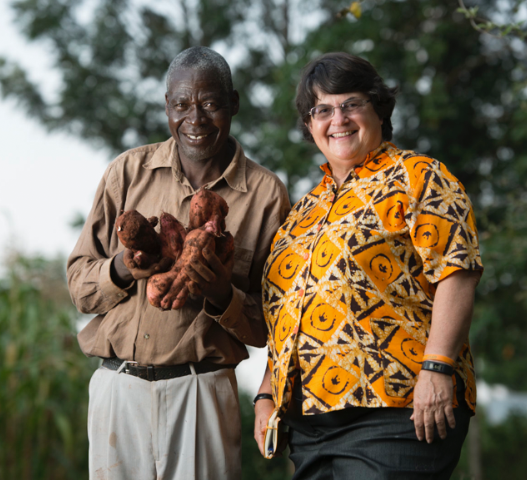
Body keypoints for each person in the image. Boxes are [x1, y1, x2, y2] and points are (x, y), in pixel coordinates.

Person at [253, 52, 484, 479]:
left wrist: (437, 367)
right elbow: (289, 310)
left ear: (378, 108)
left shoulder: (419, 176)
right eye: (322, 109)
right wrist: (266, 395)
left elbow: (457, 272)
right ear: (309, 125)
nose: (337, 119)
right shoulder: (302, 211)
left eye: (351, 104)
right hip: (309, 426)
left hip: (398, 411)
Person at [67, 46, 291, 480]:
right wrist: (124, 268)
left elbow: (273, 325)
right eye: (182, 105)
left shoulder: (266, 195)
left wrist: (220, 294)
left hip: (202, 390)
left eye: (210, 104)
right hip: (118, 387)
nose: (196, 119)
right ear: (167, 106)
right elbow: (79, 286)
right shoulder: (127, 172)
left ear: (233, 104)